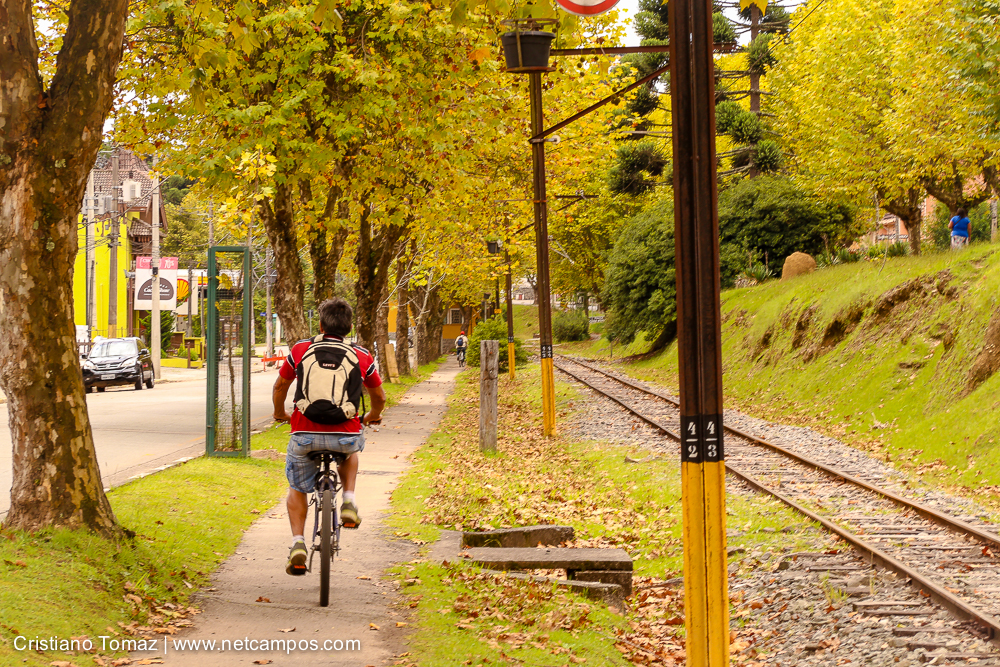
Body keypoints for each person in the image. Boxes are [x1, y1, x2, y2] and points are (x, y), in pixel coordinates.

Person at [272, 297, 386, 576]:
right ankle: (348, 499)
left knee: (297, 487)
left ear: (321, 325)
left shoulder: (301, 349)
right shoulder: (361, 355)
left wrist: (280, 413)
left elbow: (280, 386)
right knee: (351, 448)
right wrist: (371, 415)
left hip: (304, 434)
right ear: (349, 327)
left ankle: (298, 544)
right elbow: (379, 396)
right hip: (343, 434)